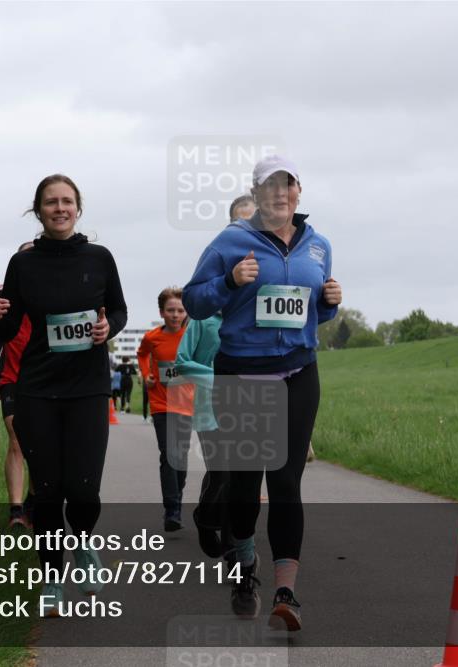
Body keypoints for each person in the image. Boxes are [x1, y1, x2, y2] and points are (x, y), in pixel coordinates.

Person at [182, 155, 341, 631]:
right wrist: (229, 281)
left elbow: (311, 312)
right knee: (246, 485)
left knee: (287, 482)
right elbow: (194, 300)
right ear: (256, 193)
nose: (280, 192)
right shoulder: (231, 241)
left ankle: (286, 593)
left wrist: (330, 305)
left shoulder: (318, 246)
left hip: (299, 373)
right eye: (270, 185)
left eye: (288, 184)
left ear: (298, 191)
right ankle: (246, 561)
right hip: (243, 374)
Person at [0, 174, 127, 615]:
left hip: (88, 387)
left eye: (67, 201)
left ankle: (82, 542)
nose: (60, 208)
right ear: (39, 210)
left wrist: (108, 328)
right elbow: (9, 325)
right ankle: (51, 579)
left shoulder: (100, 258)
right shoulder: (23, 264)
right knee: (47, 491)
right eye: (51, 202)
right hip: (38, 388)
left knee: (83, 490)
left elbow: (119, 309)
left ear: (78, 208)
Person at [176, 195, 257, 564]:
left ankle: (235, 548)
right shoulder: (206, 311)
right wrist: (220, 375)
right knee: (222, 474)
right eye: (242, 222)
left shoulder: (258, 303)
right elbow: (182, 361)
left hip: (252, 402)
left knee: (243, 479)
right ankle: (207, 517)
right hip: (211, 406)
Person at [0, 241, 38, 530]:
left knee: (41, 447)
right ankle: (16, 511)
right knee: (16, 439)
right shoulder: (6, 295)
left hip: (44, 378)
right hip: (12, 376)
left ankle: (32, 503)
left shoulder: (55, 293)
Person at [136, 288, 196, 532]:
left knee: (180, 456)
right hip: (161, 404)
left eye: (180, 310)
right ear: (161, 312)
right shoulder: (152, 337)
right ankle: (172, 509)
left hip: (186, 403)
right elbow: (142, 355)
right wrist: (146, 375)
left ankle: (176, 500)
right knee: (169, 453)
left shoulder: (192, 335)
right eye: (170, 310)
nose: (175, 315)